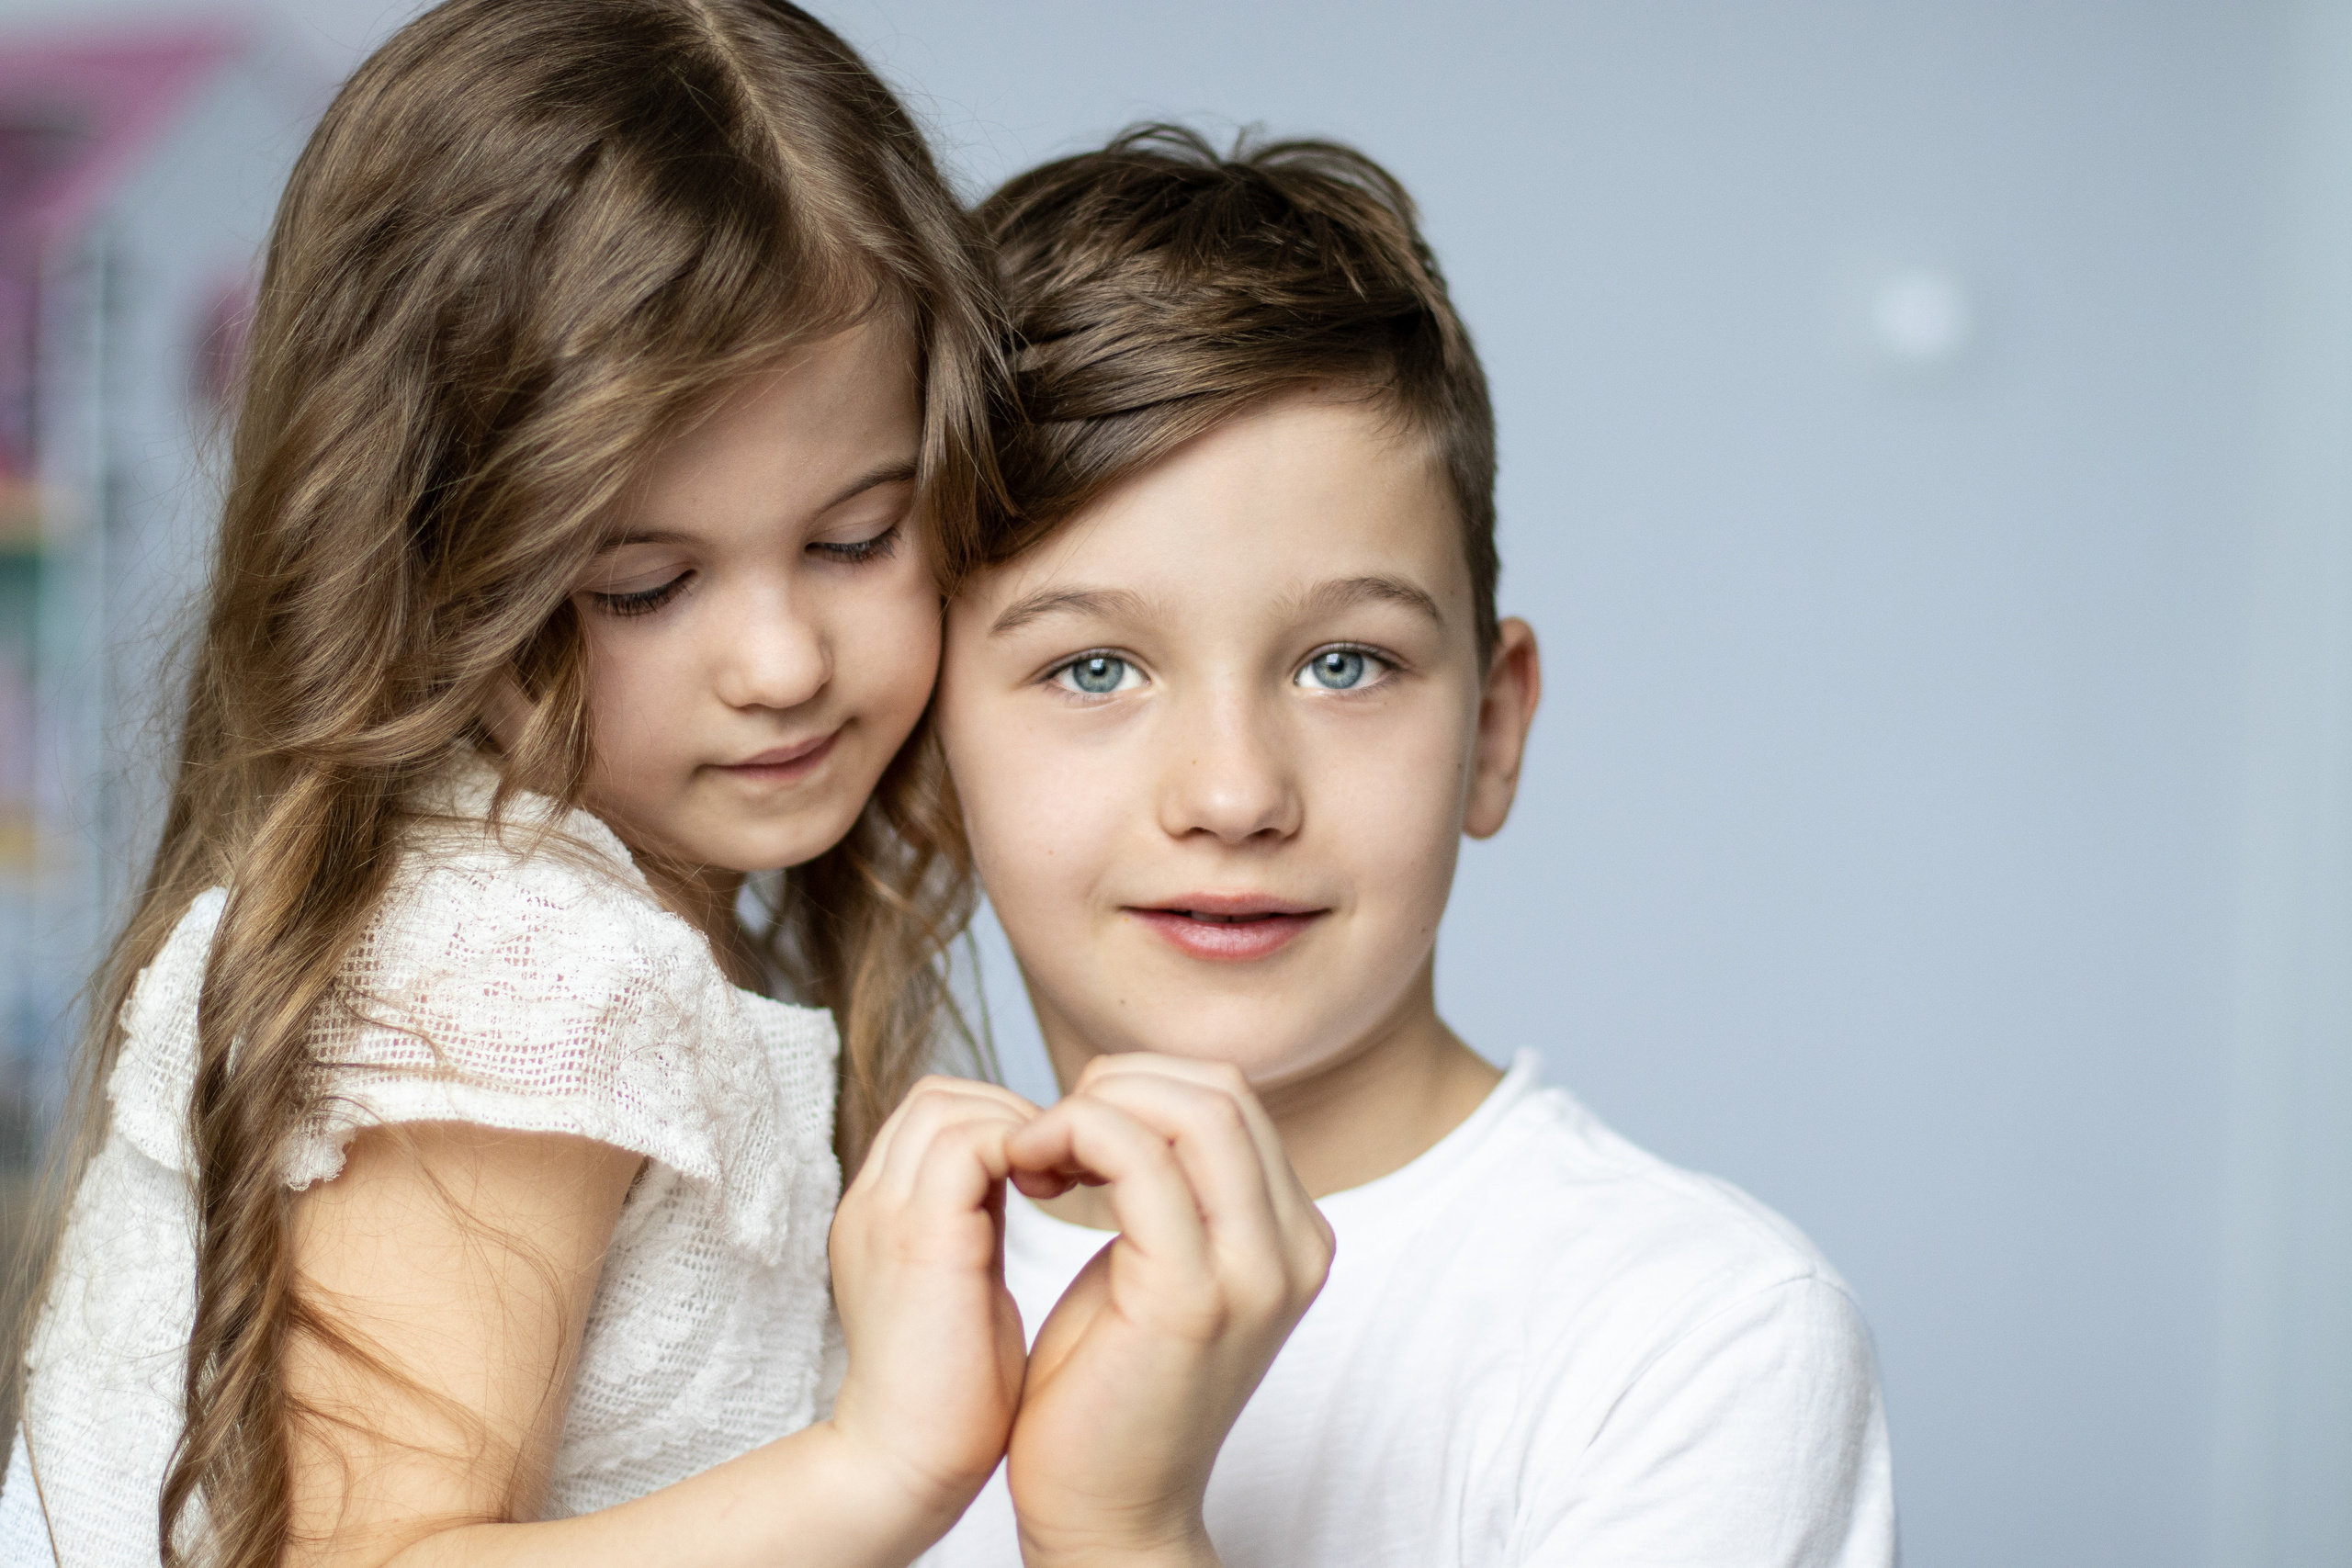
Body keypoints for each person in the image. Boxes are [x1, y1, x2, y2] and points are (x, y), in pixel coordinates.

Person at [0, 4, 1050, 1564]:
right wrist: (879, 1468)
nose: (779, 660)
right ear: (421, 571)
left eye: (855, 538)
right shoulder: (524, 968)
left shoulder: (583, 917)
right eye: (641, 583)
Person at [923, 126, 1900, 1567]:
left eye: (1343, 666)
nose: (1236, 793)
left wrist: (1118, 1529)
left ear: (1493, 731)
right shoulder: (834, 1302)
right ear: (923, 750)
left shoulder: (1697, 1340)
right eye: (1094, 671)